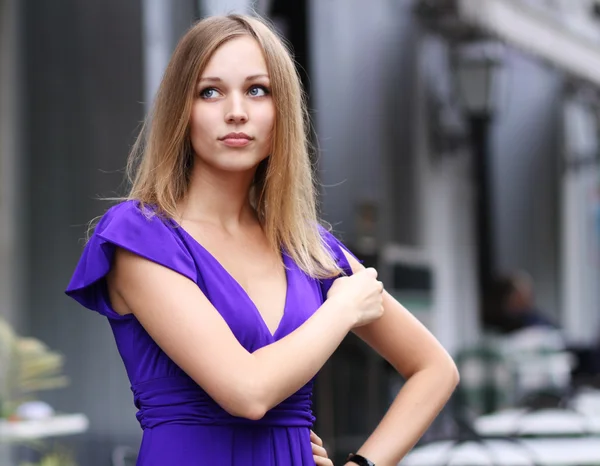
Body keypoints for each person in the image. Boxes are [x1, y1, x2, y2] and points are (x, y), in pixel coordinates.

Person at [65, 14, 458, 466]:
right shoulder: (141, 235)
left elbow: (434, 369)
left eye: (257, 90)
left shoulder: (306, 248)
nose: (237, 111)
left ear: (281, 111)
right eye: (210, 91)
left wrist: (360, 465)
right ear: (181, 110)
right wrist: (343, 308)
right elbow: (247, 393)